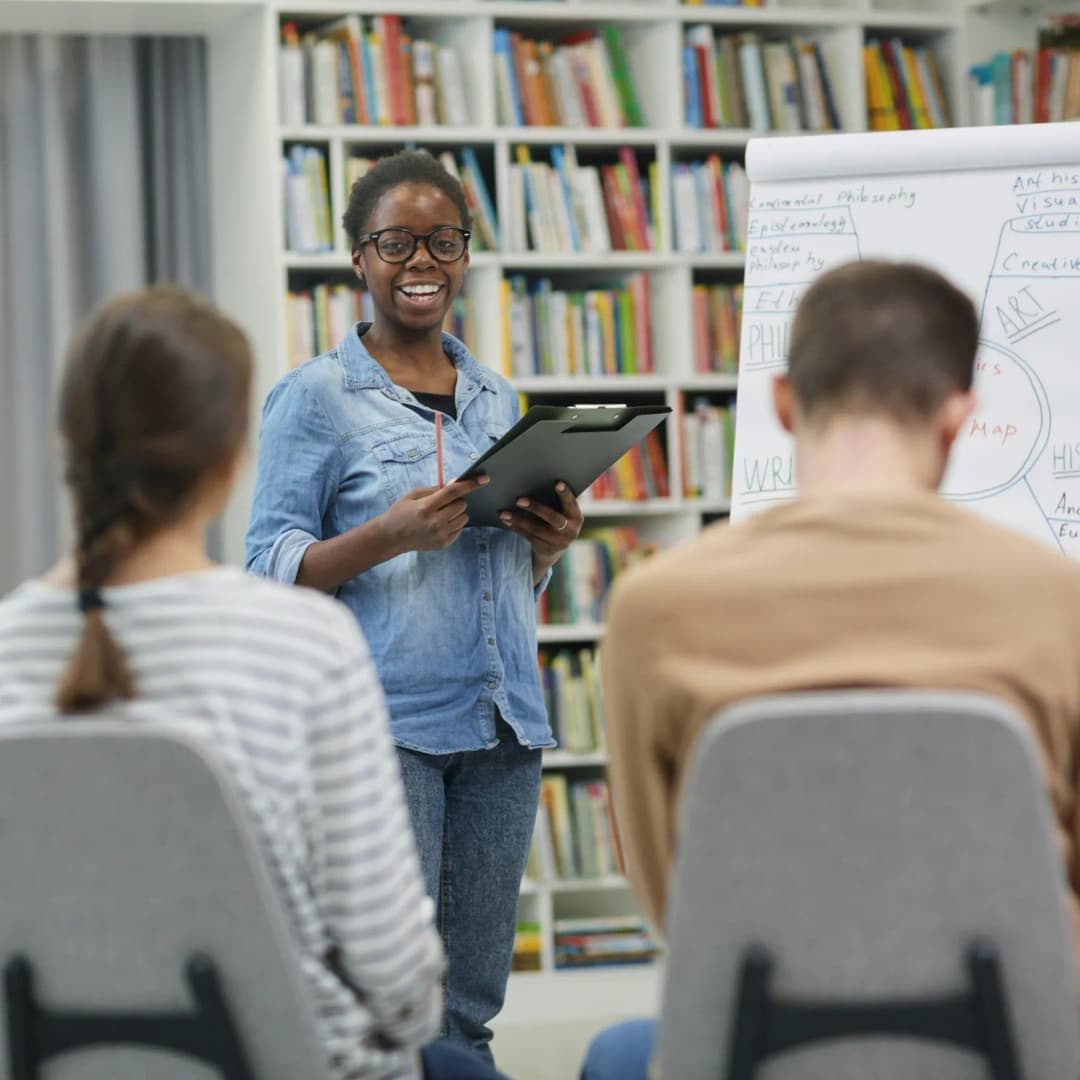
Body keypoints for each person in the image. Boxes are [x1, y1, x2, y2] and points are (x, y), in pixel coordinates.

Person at [582, 259, 1080, 1078]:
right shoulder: (1059, 601)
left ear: (781, 403)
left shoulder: (655, 606)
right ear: (958, 418)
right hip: (1020, 1049)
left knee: (614, 1055)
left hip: (754, 1048)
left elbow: (673, 893)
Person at [0, 285, 511, 1080]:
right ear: (234, 455)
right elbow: (398, 983)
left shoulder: (8, 648)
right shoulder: (303, 646)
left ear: (67, 442)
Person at [245, 149, 582, 1064]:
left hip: (504, 726)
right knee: (385, 999)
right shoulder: (314, 399)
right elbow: (266, 570)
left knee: (471, 997)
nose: (421, 262)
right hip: (384, 731)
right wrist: (385, 537)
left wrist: (545, 546)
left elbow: (504, 573)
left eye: (442, 241)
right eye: (396, 243)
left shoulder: (495, 396)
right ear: (359, 259)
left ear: (466, 255)